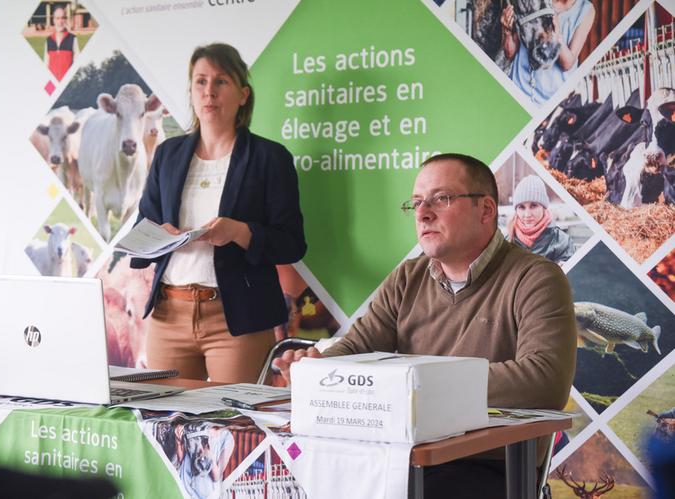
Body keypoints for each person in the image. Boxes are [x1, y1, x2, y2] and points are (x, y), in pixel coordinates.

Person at [274, 153, 576, 499]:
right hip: (400, 458)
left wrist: (416, 389)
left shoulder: (536, 278)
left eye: (442, 198)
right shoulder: (408, 276)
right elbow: (356, 348)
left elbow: (543, 382)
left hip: (488, 465)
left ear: (487, 210)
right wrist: (318, 370)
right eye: (416, 202)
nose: (423, 213)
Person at [131, 43, 306, 383]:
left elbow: (292, 243)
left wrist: (241, 232)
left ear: (243, 95)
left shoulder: (270, 158)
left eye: (221, 81)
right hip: (169, 314)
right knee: (163, 426)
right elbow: (142, 227)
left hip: (237, 318)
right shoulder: (168, 154)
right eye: (200, 82)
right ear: (192, 92)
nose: (209, 92)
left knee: (233, 425)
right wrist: (159, 237)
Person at [502, 0, 595, 103]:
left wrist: (557, 34)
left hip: (550, 102)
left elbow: (567, 64)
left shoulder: (586, 10)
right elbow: (510, 54)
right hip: (517, 89)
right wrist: (507, 31)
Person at [506, 174, 575, 264]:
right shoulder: (506, 242)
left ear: (543, 207)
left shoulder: (562, 242)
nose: (527, 214)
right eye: (521, 207)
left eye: (533, 206)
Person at [44, 6, 80, 81]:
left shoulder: (73, 39)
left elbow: (77, 65)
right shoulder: (48, 40)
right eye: (57, 18)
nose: (60, 21)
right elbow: (45, 67)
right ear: (53, 20)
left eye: (63, 18)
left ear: (66, 19)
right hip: (52, 84)